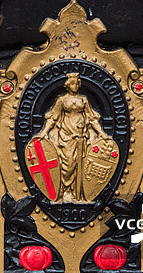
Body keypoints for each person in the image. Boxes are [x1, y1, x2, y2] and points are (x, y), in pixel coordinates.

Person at [36, 73, 107, 201]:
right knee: (68, 164)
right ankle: (66, 190)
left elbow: (92, 118)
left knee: (82, 163)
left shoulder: (83, 100)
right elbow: (53, 118)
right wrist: (44, 132)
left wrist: (101, 133)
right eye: (72, 83)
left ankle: (77, 192)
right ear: (67, 86)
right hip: (66, 136)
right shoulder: (62, 100)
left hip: (81, 137)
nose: (75, 86)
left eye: (76, 83)